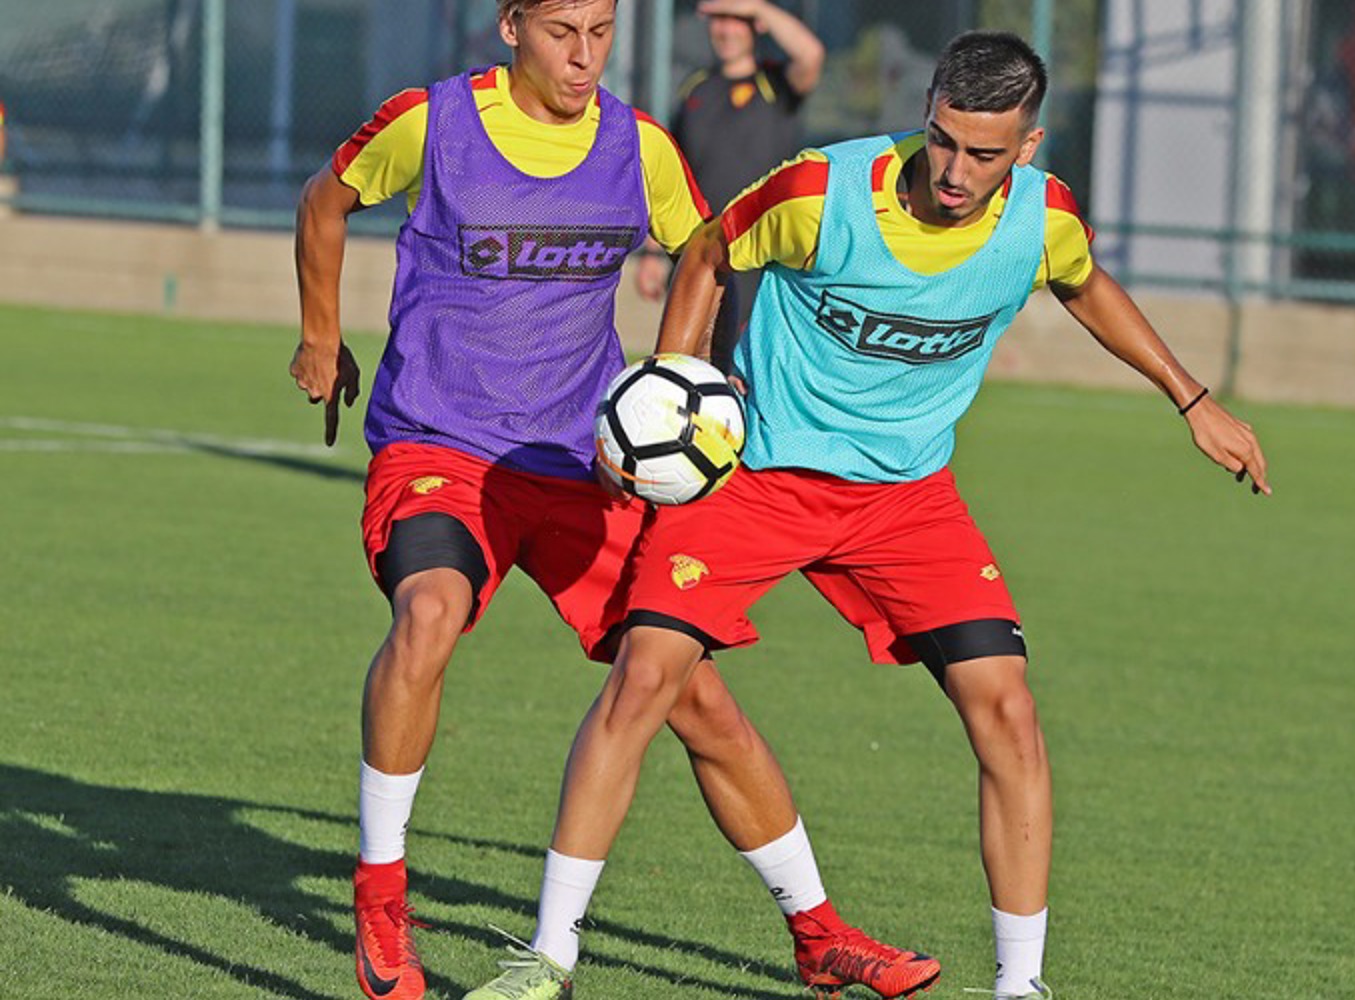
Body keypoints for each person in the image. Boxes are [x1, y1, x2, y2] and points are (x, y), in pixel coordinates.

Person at [517, 30, 1273, 1000]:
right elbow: (708, 251)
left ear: (1028, 147)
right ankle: (547, 960)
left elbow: (1084, 281)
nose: (954, 171)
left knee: (1008, 710)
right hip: (758, 478)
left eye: (983, 154)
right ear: (927, 113)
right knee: (644, 679)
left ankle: (1020, 987)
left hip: (907, 499)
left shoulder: (1041, 220)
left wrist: (1190, 397)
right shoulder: (821, 193)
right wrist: (673, 390)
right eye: (943, 140)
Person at [290, 3, 939, 1000]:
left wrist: (697, 387)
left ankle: (819, 933)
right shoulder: (432, 121)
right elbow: (323, 201)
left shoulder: (641, 147)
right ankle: (381, 894)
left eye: (601, 30)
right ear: (512, 26)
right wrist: (321, 335)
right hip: (442, 443)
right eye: (563, 30)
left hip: (583, 462)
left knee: (691, 691)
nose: (585, 54)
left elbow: (713, 253)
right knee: (429, 614)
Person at [634, 0, 824, 364]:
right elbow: (671, 176)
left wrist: (757, 8)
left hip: (761, 260)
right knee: (689, 366)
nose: (725, 29)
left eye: (736, 19)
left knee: (749, 370)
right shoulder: (696, 89)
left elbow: (811, 55)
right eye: (718, 19)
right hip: (703, 254)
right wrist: (652, 254)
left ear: (755, 24)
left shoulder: (775, 84)